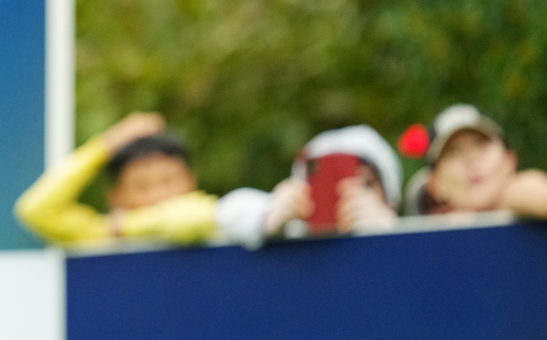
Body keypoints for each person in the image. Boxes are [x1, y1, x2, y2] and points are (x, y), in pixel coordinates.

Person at [14, 112, 219, 245]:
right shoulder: (101, 236)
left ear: (191, 181)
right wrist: (106, 144)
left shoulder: (213, 214)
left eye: (168, 181)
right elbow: (35, 210)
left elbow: (188, 223)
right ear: (116, 196)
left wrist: (122, 226)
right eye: (142, 187)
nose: (159, 195)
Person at [218, 125, 402, 249]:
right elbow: (227, 211)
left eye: (366, 184)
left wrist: (391, 233)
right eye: (325, 182)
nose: (345, 193)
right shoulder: (294, 233)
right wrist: (270, 216)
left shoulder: (401, 228)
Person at [400, 104, 547, 219]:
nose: (471, 158)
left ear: (510, 160)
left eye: (480, 144)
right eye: (453, 152)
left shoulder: (522, 190)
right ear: (434, 184)